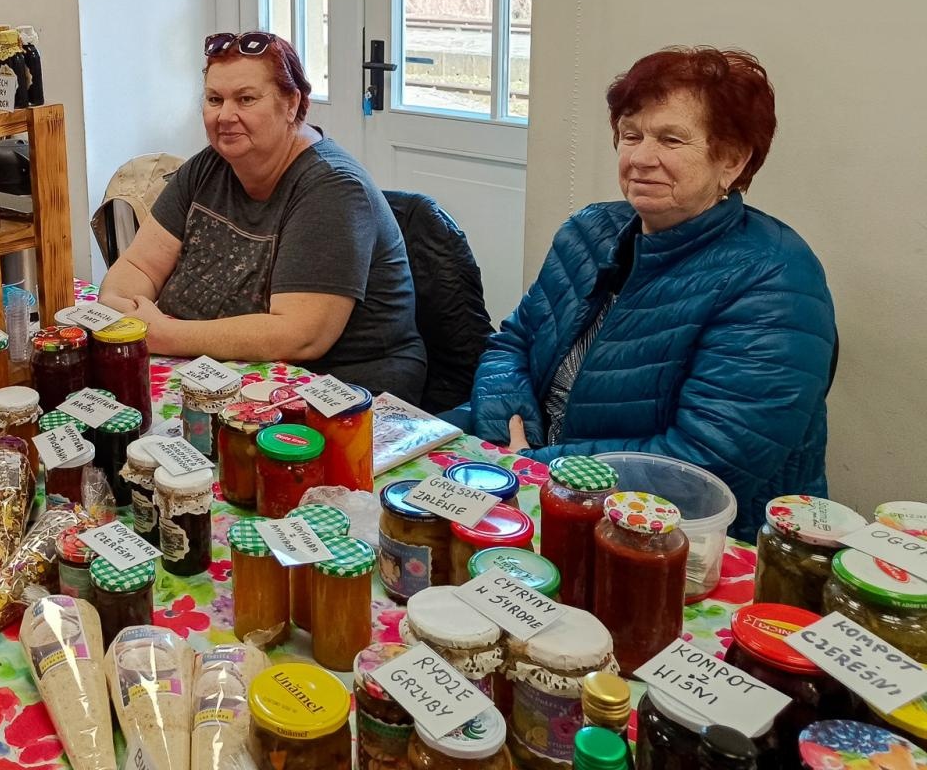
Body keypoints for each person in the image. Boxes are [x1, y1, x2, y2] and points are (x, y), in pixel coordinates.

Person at [471, 47, 835, 539]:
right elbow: (512, 342)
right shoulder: (589, 231)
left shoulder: (776, 278)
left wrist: (536, 465)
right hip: (538, 483)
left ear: (731, 159)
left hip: (683, 542)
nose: (641, 158)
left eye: (671, 139)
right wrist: (506, 439)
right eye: (630, 135)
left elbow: (704, 465)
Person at [100, 31, 427, 399]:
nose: (225, 116)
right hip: (222, 373)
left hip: (338, 393)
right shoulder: (206, 167)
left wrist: (162, 333)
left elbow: (298, 336)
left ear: (292, 104)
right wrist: (122, 308)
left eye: (246, 99)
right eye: (214, 99)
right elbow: (140, 266)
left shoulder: (333, 190)